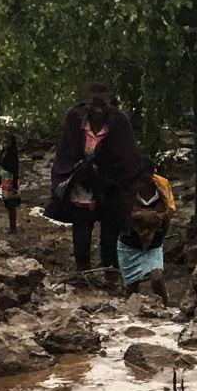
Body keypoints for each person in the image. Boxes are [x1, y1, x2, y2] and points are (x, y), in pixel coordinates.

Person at [47, 81, 145, 280]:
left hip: (111, 189)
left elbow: (129, 158)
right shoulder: (74, 119)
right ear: (86, 101)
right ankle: (83, 276)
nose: (98, 108)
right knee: (81, 236)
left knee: (109, 240)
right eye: (93, 103)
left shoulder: (119, 121)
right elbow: (65, 152)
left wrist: (107, 175)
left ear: (109, 101)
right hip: (81, 188)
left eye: (103, 103)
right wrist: (76, 171)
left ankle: (111, 278)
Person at [118, 158, 176, 303]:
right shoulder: (125, 187)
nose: (140, 184)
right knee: (132, 287)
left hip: (154, 243)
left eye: (144, 179)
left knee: (157, 277)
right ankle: (131, 315)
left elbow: (170, 210)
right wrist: (140, 216)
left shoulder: (162, 186)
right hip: (129, 244)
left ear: (151, 177)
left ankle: (165, 308)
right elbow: (118, 212)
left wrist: (155, 217)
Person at [0, 134, 22, 234]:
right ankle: (11, 226)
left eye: (7, 142)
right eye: (3, 141)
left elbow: (15, 170)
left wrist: (15, 184)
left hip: (11, 180)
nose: (5, 144)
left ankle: (13, 228)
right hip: (4, 179)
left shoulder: (12, 154)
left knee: (12, 204)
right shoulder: (4, 152)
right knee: (7, 204)